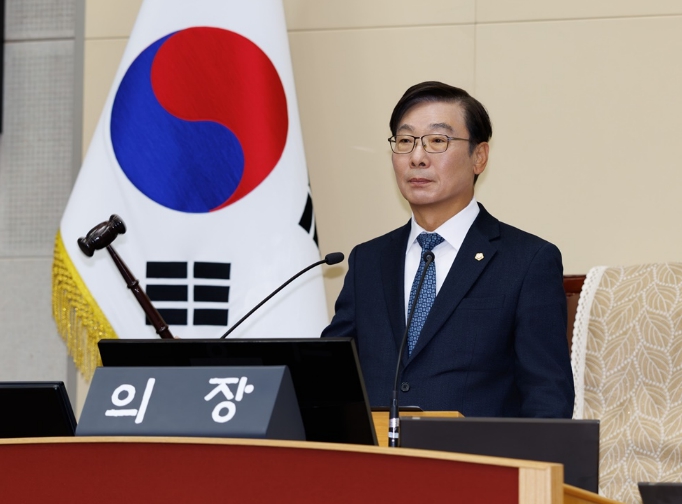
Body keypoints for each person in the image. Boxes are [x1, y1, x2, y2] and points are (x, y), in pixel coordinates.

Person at [322, 81, 574, 418]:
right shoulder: (368, 260)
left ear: (479, 157)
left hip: (474, 451)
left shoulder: (527, 261)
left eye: (437, 141)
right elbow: (331, 375)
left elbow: (548, 399)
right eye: (405, 141)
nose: (417, 157)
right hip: (378, 450)